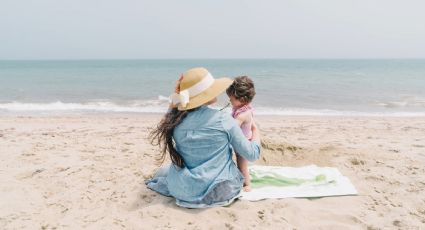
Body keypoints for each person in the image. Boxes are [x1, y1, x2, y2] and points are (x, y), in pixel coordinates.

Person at [146, 67, 261, 208]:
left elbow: (168, 116)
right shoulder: (223, 120)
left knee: (162, 172)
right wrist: (255, 131)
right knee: (163, 171)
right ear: (205, 94)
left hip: (184, 190)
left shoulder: (174, 121)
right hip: (220, 192)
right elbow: (252, 154)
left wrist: (177, 94)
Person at [226, 76, 256, 192]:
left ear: (242, 99)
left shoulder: (243, 115)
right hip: (240, 140)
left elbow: (233, 126)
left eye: (231, 99)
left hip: (243, 143)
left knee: (242, 164)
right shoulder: (241, 108)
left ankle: (246, 184)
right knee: (239, 162)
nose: (229, 101)